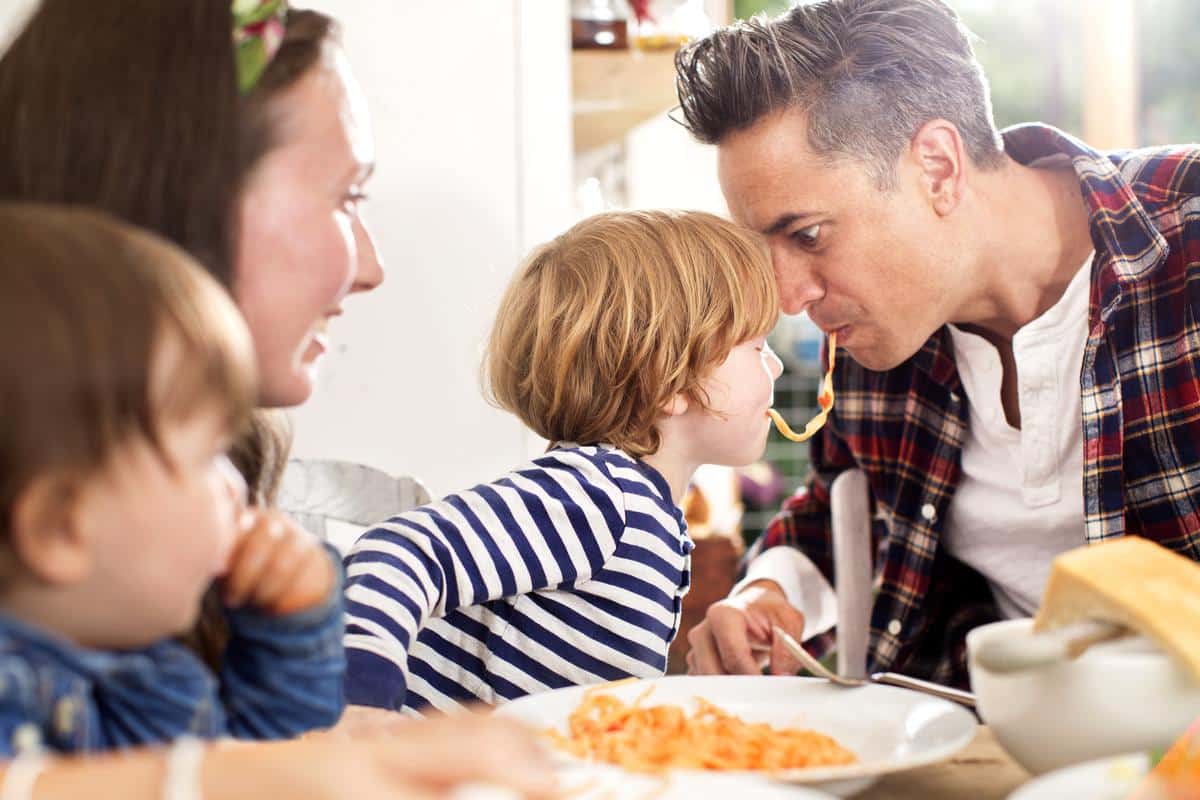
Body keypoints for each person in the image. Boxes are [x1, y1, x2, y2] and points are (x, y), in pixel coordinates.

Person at [0, 0, 555, 793]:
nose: (371, 268)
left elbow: (261, 738)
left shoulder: (151, 580)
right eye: (347, 197)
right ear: (186, 194)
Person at [673, 0, 1200, 689]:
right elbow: (846, 507)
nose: (788, 298)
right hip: (970, 731)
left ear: (937, 168)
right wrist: (767, 593)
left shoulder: (1187, 239)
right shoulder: (875, 329)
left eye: (808, 236)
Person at [343, 210, 784, 713]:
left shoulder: (646, 515)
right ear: (671, 381)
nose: (775, 366)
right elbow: (398, 550)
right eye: (757, 346)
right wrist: (362, 702)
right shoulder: (599, 496)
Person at [0, 203, 347, 754]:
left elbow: (257, 770)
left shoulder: (135, 660)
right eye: (209, 456)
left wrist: (289, 630)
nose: (235, 487)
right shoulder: (18, 704)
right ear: (59, 527)